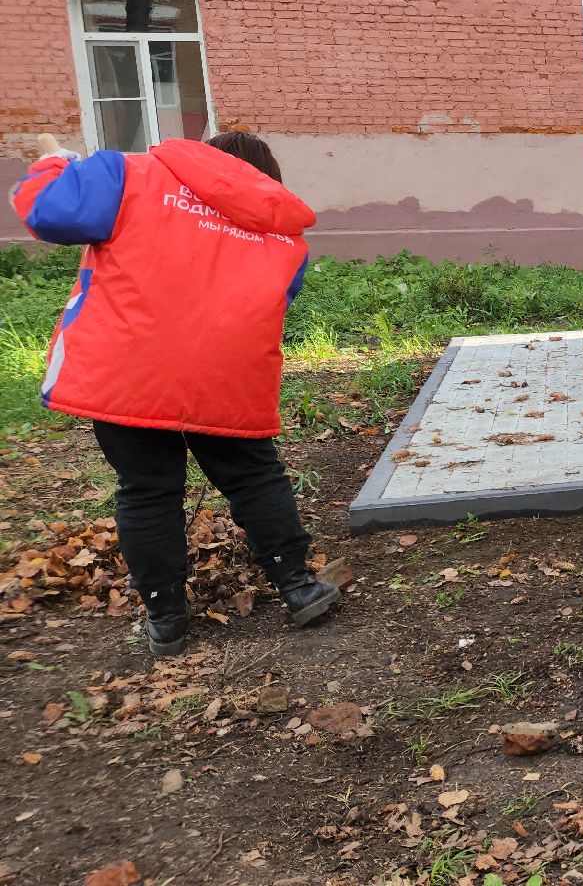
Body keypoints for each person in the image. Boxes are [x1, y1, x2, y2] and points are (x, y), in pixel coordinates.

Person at [11, 131, 339, 655]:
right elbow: (278, 300)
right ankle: (298, 587)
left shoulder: (128, 176)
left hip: (127, 372)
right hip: (224, 375)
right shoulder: (283, 232)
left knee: (147, 490)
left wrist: (53, 160)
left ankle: (166, 617)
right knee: (255, 477)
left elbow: (50, 212)